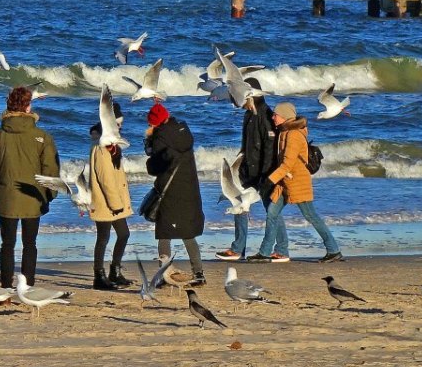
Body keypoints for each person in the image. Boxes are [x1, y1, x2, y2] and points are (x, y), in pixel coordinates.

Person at [0, 86, 59, 288]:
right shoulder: (42, 137)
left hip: (7, 196)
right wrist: (49, 194)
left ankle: (6, 287)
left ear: (9, 106)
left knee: (7, 244)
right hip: (34, 197)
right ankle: (28, 287)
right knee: (30, 244)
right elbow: (50, 170)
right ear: (27, 107)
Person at [254, 102, 343, 263]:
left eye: (276, 114)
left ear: (285, 116)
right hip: (284, 182)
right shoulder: (284, 132)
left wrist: (269, 180)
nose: (273, 117)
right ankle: (265, 253)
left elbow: (287, 163)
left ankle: (333, 250)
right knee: (272, 213)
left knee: (311, 215)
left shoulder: (293, 135)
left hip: (297, 182)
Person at [219, 79, 289, 262]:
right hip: (247, 170)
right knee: (239, 203)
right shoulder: (249, 114)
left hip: (264, 173)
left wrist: (266, 176)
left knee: (271, 210)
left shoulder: (266, 115)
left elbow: (269, 149)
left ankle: (282, 249)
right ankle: (238, 248)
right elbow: (248, 144)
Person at [144, 102, 206, 284]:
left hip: (169, 191)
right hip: (189, 189)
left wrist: (150, 145)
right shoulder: (183, 131)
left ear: (155, 123)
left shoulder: (160, 137)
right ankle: (199, 273)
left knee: (164, 233)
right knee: (188, 232)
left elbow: (156, 167)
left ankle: (164, 275)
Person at [88, 101, 132, 290]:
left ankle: (115, 270)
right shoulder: (101, 148)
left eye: (121, 124)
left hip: (115, 201)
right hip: (105, 202)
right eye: (118, 124)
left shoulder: (113, 146)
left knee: (123, 234)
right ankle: (99, 276)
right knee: (103, 237)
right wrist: (116, 203)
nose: (120, 127)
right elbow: (106, 180)